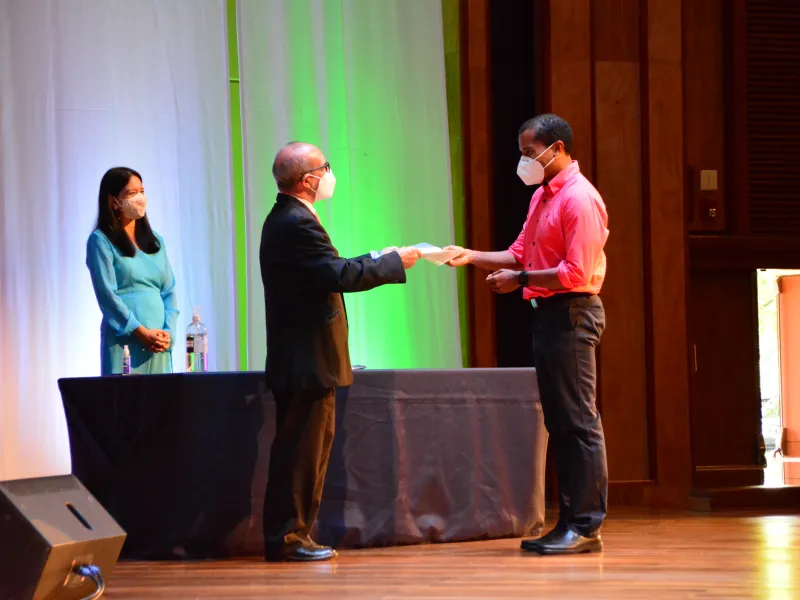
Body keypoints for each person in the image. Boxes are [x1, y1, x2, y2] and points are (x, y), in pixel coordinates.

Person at [446, 114, 609, 555]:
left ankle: (585, 525)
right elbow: (520, 253)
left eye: (529, 152)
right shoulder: (543, 195)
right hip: (550, 315)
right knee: (560, 421)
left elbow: (575, 273)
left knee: (577, 421)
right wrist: (470, 256)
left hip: (573, 312)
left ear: (557, 149)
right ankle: (570, 522)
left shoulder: (579, 199)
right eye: (521, 152)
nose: (524, 161)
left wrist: (519, 281)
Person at [259, 142, 422, 562]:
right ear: (307, 179)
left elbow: (329, 267)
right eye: (325, 167)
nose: (329, 174)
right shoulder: (295, 222)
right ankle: (288, 538)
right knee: (301, 455)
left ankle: (296, 535)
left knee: (309, 452)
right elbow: (338, 275)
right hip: (306, 358)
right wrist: (393, 263)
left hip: (306, 357)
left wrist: (381, 256)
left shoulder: (291, 217)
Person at [86, 167, 179, 375]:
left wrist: (168, 333)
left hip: (158, 342)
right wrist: (139, 331)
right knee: (126, 395)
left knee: (161, 395)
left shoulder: (155, 241)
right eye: (131, 193)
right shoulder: (101, 241)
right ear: (113, 201)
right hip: (124, 339)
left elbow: (169, 291)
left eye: (142, 191)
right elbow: (107, 295)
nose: (140, 198)